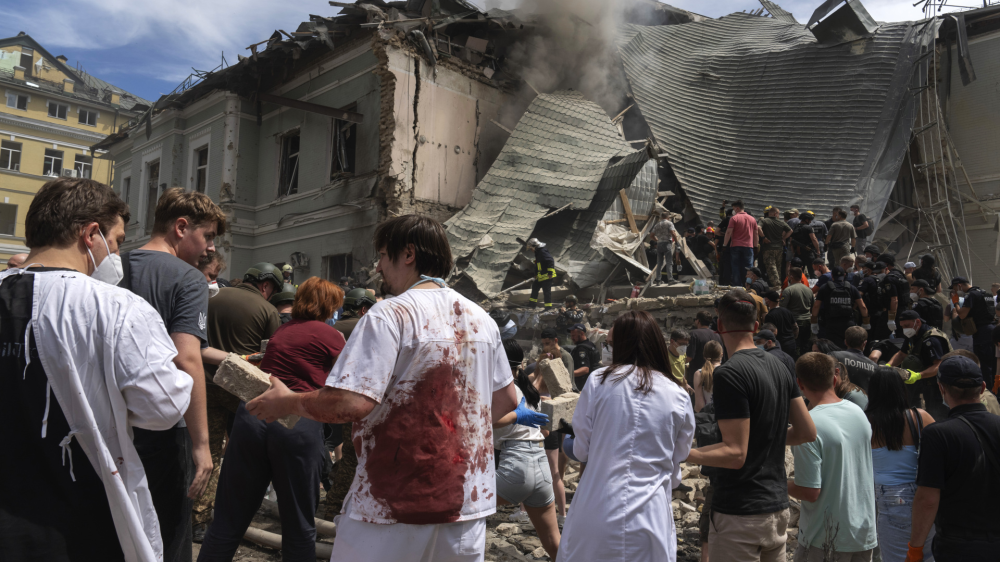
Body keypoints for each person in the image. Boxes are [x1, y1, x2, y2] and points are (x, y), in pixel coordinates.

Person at [245, 214, 518, 562]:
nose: (378, 265)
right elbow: (507, 399)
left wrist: (288, 402)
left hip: (392, 504)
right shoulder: (483, 319)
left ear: (408, 254)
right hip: (466, 503)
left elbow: (351, 402)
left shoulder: (390, 314)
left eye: (383, 254)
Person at [0, 178, 193, 561]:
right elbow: (163, 407)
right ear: (91, 234)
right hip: (76, 522)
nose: (117, 253)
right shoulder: (115, 307)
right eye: (117, 240)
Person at [198, 278, 346, 562]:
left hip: (253, 415)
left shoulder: (282, 331)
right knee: (299, 527)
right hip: (297, 422)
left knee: (228, 521)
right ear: (329, 305)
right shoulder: (331, 336)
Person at [120, 187, 227, 555]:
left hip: (113, 422)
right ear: (181, 227)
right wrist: (201, 445)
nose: (210, 248)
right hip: (164, 429)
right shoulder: (188, 278)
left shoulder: (113, 265)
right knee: (168, 534)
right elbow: (186, 358)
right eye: (207, 236)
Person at [686, 289, 816, 562]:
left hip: (739, 511)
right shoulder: (781, 366)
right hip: (776, 507)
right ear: (756, 327)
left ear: (719, 326)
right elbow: (806, 432)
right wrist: (766, 436)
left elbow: (735, 454)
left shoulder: (729, 373)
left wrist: (685, 454)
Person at [556, 311, 696, 562]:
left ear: (621, 345)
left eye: (609, 344)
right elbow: (680, 454)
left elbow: (581, 449)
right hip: (651, 518)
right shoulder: (677, 394)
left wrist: (566, 443)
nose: (609, 349)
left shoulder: (599, 380)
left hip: (598, 509)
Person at [908, 355, 1000, 562]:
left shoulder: (937, 434)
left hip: (959, 546)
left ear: (942, 388)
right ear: (983, 386)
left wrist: (915, 549)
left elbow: (927, 500)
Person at [788, 353, 877, 562]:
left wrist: (776, 484)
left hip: (825, 538)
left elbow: (809, 491)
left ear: (799, 383)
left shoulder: (808, 429)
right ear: (835, 378)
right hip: (863, 532)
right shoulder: (857, 412)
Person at [493, 339, 559, 560]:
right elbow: (545, 432)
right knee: (554, 543)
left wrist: (514, 417)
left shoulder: (500, 389)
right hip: (541, 463)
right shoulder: (528, 390)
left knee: (459, 506)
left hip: (515, 463)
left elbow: (485, 421)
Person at [866, 366, 936, 562]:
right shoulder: (920, 417)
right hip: (923, 494)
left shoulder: (866, 422)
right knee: (928, 555)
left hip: (887, 497)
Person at [889, 310, 952, 421]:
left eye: (907, 325)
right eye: (902, 326)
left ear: (917, 322)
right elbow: (902, 354)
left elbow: (938, 365)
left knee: (935, 413)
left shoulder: (931, 339)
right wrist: (888, 366)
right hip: (923, 378)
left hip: (937, 382)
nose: (905, 329)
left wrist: (918, 375)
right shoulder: (913, 334)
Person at [950, 276, 997, 390]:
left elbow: (962, 315)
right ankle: (996, 392)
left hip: (981, 333)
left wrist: (955, 302)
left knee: (984, 366)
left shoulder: (971, 295)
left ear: (959, 285)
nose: (955, 291)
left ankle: (988, 392)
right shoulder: (986, 293)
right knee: (993, 365)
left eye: (955, 288)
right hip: (992, 330)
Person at [811, 266, 867, 348]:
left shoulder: (825, 287)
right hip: (848, 323)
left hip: (831, 323)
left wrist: (814, 322)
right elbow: (862, 306)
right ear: (844, 275)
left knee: (833, 348)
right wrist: (866, 321)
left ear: (832, 276)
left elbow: (816, 306)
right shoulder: (851, 288)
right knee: (849, 347)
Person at [829, 326, 878, 394]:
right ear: (864, 343)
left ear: (845, 342)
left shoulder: (835, 356)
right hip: (863, 403)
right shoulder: (874, 366)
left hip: (838, 400)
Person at [782, 267, 815, 356]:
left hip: (794, 323)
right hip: (807, 322)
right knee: (806, 345)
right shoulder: (809, 290)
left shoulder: (788, 290)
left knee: (795, 346)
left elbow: (783, 308)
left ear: (791, 277)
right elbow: (813, 307)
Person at [724, 200, 758, 286]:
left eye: (734, 209)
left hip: (735, 246)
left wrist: (724, 245)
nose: (733, 211)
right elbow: (756, 234)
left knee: (736, 267)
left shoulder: (734, 218)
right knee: (749, 268)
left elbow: (728, 232)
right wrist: (756, 246)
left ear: (737, 208)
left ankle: (737, 286)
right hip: (748, 246)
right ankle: (748, 285)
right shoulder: (752, 219)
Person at [686, 311, 722, 383]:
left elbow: (689, 357)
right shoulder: (717, 335)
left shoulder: (694, 334)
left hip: (698, 376)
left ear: (698, 321)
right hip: (715, 374)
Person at [759, 206, 791, 287]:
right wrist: (783, 238)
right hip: (779, 248)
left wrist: (763, 237)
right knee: (777, 268)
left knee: (771, 268)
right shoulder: (781, 223)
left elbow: (758, 227)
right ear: (775, 213)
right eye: (778, 214)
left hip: (768, 248)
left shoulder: (764, 220)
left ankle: (776, 285)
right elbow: (790, 230)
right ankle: (778, 284)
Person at [763, 291, 798, 357]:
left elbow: (769, 333)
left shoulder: (770, 316)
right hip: (791, 343)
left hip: (780, 345)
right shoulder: (787, 311)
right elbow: (795, 326)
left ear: (768, 300)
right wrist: (794, 338)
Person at [694, 340, 723, 413]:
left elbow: (699, 406)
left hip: (708, 419)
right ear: (721, 355)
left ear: (704, 356)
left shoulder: (699, 374)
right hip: (725, 417)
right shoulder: (729, 371)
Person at [527, 238, 557, 308]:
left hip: (547, 276)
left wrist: (550, 273)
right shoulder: (538, 253)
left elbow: (550, 261)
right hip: (540, 276)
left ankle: (548, 307)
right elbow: (538, 265)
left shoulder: (542, 251)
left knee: (546, 292)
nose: (531, 250)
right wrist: (535, 274)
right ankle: (532, 305)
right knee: (534, 288)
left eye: (531, 248)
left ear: (535, 246)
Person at [651, 211, 679, 285]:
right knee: (669, 262)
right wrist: (676, 242)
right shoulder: (669, 223)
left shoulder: (657, 225)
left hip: (659, 244)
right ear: (668, 217)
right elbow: (673, 233)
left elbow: (651, 235)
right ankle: (670, 279)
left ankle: (658, 280)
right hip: (667, 243)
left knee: (659, 263)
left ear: (661, 217)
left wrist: (657, 240)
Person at [569, 323, 598, 390]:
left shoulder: (582, 349)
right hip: (591, 383)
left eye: (574, 335)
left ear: (582, 334)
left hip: (583, 385)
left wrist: (568, 374)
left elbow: (585, 369)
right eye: (571, 336)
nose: (572, 338)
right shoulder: (590, 344)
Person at [668, 329, 694, 394]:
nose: (684, 347)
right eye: (682, 344)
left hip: (680, 389)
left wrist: (685, 384)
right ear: (672, 341)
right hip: (670, 390)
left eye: (686, 345)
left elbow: (680, 373)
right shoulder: (664, 356)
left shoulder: (683, 354)